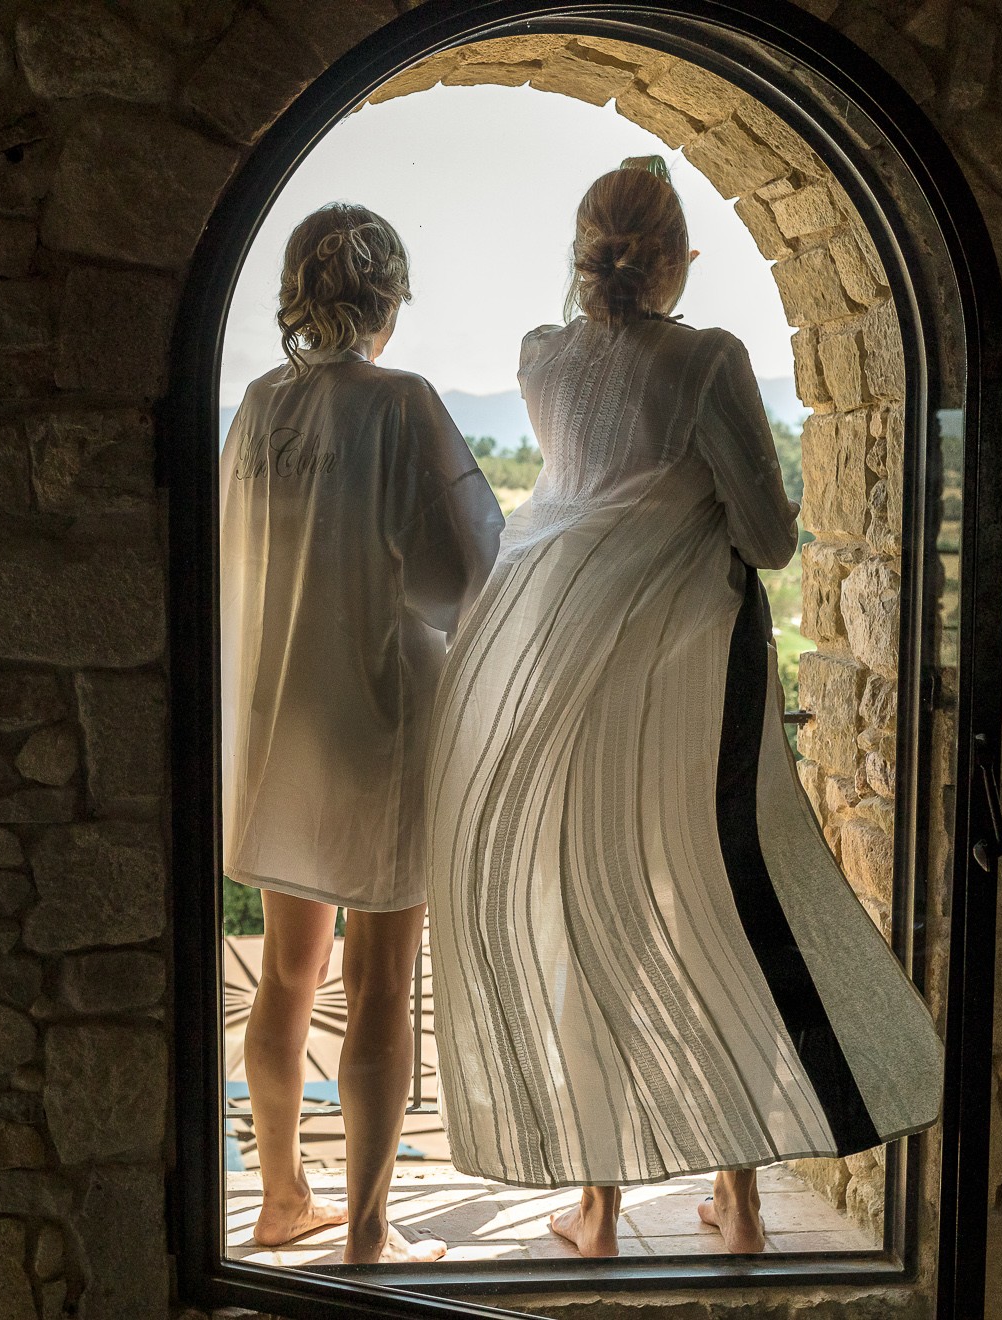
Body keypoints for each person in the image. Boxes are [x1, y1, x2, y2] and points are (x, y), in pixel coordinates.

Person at [424, 158, 942, 1257]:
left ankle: (599, 1210)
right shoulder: (710, 361)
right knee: (729, 902)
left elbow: (585, 492)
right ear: (678, 258)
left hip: (567, 680)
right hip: (697, 683)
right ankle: (743, 1202)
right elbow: (766, 538)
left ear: (585, 255)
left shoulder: (539, 364)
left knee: (586, 908)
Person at [222, 202, 505, 1265]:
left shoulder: (257, 409)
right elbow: (466, 571)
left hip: (277, 717)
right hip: (382, 719)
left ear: (298, 294)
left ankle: (280, 1195)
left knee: (287, 975)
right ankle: (371, 1230)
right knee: (382, 979)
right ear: (388, 300)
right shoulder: (403, 405)